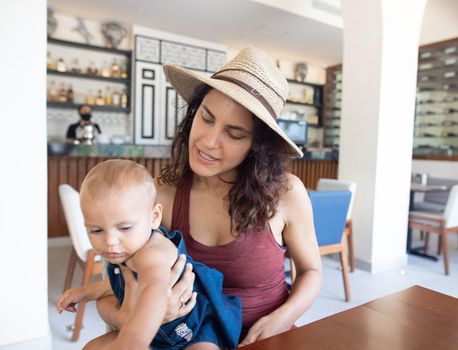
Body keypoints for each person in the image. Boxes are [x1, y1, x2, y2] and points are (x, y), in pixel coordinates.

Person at [96, 46, 322, 346]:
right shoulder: (162, 193)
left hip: (262, 339)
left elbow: (312, 271)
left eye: (234, 133)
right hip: (185, 337)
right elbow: (114, 286)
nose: (208, 141)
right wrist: (137, 317)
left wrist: (281, 319)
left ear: (257, 146)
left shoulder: (286, 194)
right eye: (206, 117)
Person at [56, 159, 242, 350]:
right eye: (96, 230)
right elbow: (117, 283)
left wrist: (133, 338)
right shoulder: (128, 247)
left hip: (194, 331)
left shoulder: (153, 252)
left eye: (125, 227)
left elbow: (155, 289)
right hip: (155, 337)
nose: (110, 241)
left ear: (154, 218)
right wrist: (84, 293)